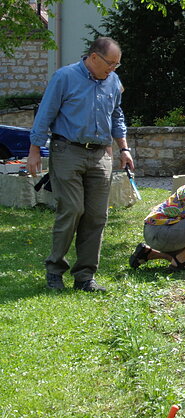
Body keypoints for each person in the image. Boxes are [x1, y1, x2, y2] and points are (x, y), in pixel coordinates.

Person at [27, 37, 132, 292]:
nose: (113, 69)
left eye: (117, 65)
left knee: (97, 215)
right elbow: (45, 114)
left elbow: (117, 115)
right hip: (67, 151)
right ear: (94, 57)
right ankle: (55, 270)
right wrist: (34, 151)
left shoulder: (113, 81)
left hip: (100, 155)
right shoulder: (65, 77)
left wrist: (124, 148)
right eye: (110, 63)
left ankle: (85, 277)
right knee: (72, 209)